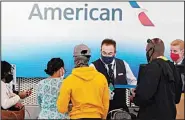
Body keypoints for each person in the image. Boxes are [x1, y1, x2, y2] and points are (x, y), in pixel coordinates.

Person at [130, 38, 182, 120]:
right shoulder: (174, 68)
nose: (146, 53)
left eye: (146, 50)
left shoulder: (151, 68)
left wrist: (134, 98)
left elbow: (143, 97)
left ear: (151, 50)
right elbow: (176, 99)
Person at [57, 44, 109, 119]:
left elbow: (61, 108)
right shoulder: (101, 78)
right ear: (88, 59)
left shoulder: (69, 80)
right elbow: (105, 104)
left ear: (75, 59)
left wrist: (70, 107)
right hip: (96, 116)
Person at [90, 39, 137, 116]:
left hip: (121, 110)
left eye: (110, 53)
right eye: (104, 53)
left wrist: (134, 90)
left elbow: (132, 81)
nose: (106, 56)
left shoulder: (123, 64)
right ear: (100, 51)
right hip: (101, 111)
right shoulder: (93, 67)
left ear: (115, 53)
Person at [170, 39, 184, 119]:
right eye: (171, 51)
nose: (172, 53)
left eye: (175, 51)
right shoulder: (170, 66)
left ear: (182, 52)